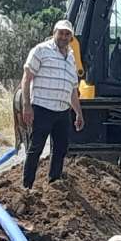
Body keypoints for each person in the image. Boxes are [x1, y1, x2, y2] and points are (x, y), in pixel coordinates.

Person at [21, 19, 85, 189]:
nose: (64, 37)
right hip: (42, 109)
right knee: (36, 149)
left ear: (71, 37)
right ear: (54, 32)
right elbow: (27, 78)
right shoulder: (41, 51)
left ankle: (54, 184)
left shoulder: (71, 57)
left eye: (67, 34)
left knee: (61, 149)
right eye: (61, 33)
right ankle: (26, 187)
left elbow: (72, 89)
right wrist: (27, 106)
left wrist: (78, 113)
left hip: (62, 111)